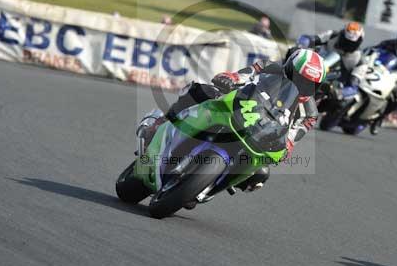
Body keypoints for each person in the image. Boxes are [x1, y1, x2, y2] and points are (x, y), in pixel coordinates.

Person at [139, 48, 330, 193]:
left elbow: (293, 136)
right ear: (288, 68)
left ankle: (212, 186)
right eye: (299, 78)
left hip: (263, 133)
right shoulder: (269, 68)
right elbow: (244, 75)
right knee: (200, 91)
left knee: (261, 174)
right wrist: (230, 78)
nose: (302, 85)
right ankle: (159, 123)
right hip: (239, 107)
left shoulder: (309, 113)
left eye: (309, 84)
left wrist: (286, 146)